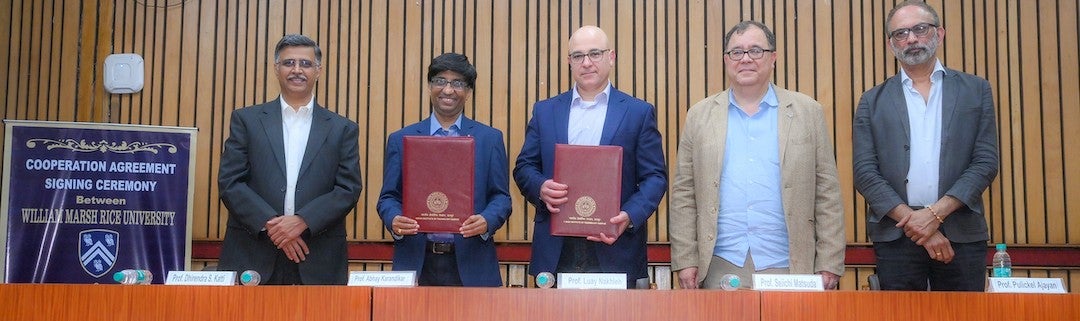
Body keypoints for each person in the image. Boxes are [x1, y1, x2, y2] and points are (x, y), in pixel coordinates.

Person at [668, 21, 845, 290]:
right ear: (726, 60)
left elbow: (827, 192)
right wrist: (685, 258)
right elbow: (683, 193)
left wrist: (829, 261)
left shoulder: (808, 112)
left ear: (773, 57)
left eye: (755, 50)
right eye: (736, 52)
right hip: (719, 264)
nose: (746, 59)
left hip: (789, 263)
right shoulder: (699, 115)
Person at [853, 0, 999, 291]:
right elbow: (865, 173)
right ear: (890, 44)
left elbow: (985, 162)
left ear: (939, 33)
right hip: (896, 235)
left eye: (920, 29)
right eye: (901, 33)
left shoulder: (975, 90)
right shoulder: (872, 101)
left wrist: (935, 214)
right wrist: (917, 223)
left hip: (961, 233)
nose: (912, 39)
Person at [513, 25, 668, 289]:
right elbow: (524, 166)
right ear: (569, 61)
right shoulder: (545, 111)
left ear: (611, 57)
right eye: (578, 56)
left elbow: (655, 177)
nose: (586, 63)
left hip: (615, 247)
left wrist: (629, 215)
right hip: (556, 250)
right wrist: (540, 188)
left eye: (595, 54)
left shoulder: (638, 112)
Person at [218, 34, 362, 285]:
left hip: (317, 256)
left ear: (318, 70)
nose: (297, 70)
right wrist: (275, 226)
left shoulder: (342, 128)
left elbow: (348, 189)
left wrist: (303, 221)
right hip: (253, 252)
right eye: (289, 63)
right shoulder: (246, 120)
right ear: (276, 68)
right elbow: (230, 182)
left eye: (305, 64)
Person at [377, 53, 512, 287]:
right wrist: (394, 219)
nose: (448, 90)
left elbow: (502, 197)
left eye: (457, 83)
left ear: (468, 92)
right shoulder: (401, 140)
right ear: (430, 86)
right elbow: (388, 197)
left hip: (473, 264)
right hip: (416, 262)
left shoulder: (490, 139)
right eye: (440, 81)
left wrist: (487, 220)